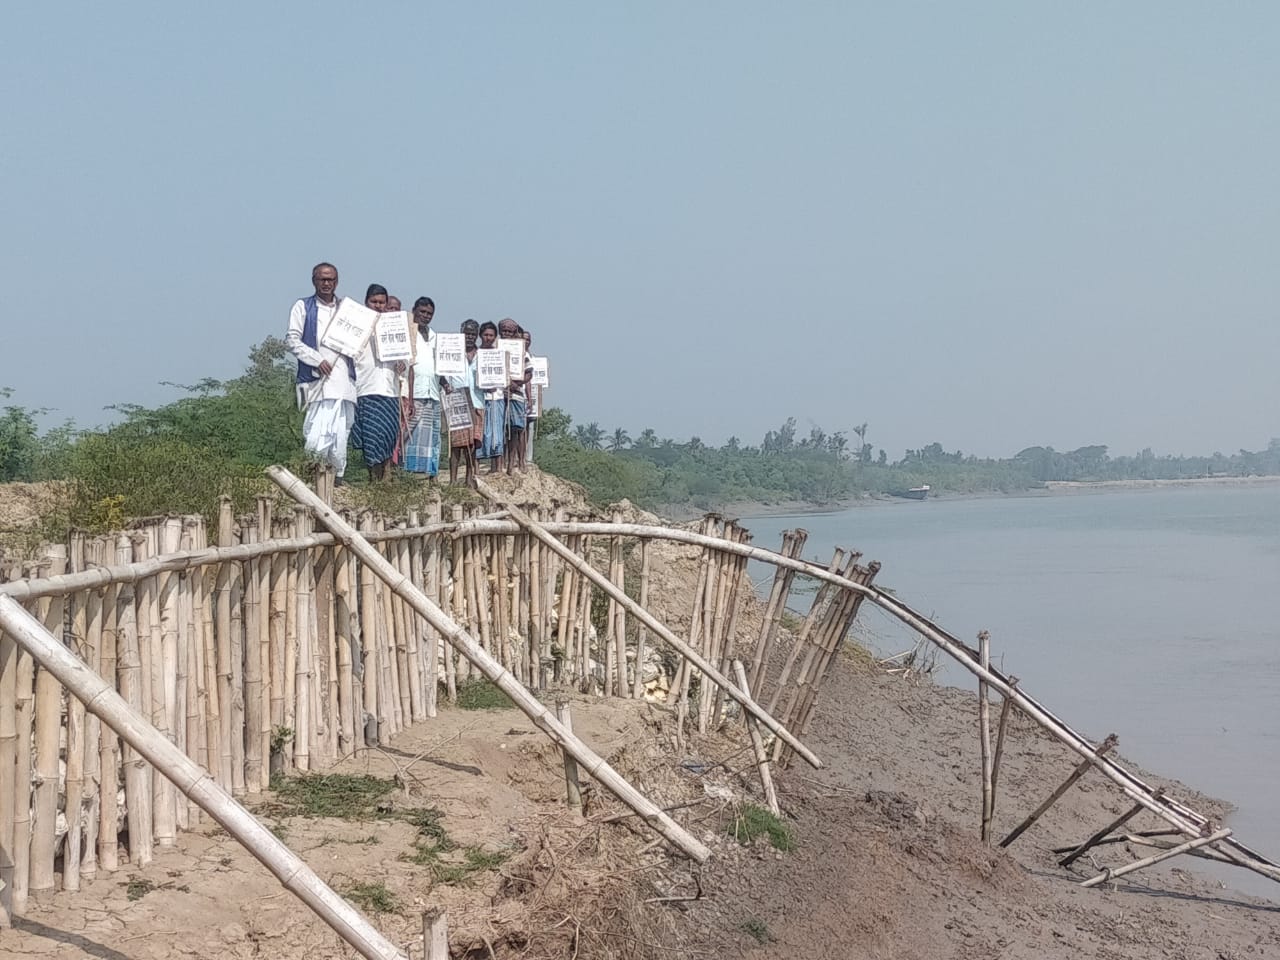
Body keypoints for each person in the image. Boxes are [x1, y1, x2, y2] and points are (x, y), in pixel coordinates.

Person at [285, 262, 357, 479]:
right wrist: (317, 360)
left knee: (341, 430)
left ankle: (336, 476)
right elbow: (291, 340)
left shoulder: (347, 309)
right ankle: (312, 471)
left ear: (337, 281)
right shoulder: (303, 306)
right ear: (314, 280)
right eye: (322, 279)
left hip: (344, 379)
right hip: (316, 380)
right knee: (317, 428)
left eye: (331, 279)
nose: (327, 283)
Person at [351, 283, 404, 480]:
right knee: (371, 437)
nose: (378, 306)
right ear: (366, 303)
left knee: (389, 435)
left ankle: (386, 479)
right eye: (374, 302)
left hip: (390, 390)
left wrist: (402, 364)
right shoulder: (357, 327)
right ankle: (374, 480)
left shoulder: (396, 329)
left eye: (382, 302)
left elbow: (405, 360)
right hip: (366, 388)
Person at [403, 296, 442, 478]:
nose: (426, 316)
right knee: (410, 434)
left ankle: (427, 473)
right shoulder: (407, 333)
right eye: (423, 312)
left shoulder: (436, 337)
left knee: (431, 436)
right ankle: (408, 472)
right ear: (414, 311)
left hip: (432, 392)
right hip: (414, 391)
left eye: (429, 313)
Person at [444, 319, 484, 488]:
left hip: (477, 402)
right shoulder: (451, 352)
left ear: (477, 336)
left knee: (472, 444)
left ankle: (469, 477)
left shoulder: (482, 355)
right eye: (467, 333)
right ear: (461, 332)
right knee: (456, 444)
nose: (469, 337)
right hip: (457, 401)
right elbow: (441, 373)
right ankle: (453, 480)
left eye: (473, 334)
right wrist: (445, 385)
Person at [498, 318, 533, 475]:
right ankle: (500, 463)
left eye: (509, 331)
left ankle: (514, 463)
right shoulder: (494, 349)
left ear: (514, 333)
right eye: (504, 330)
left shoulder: (522, 352)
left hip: (516, 395)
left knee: (515, 429)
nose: (506, 333)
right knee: (500, 429)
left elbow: (529, 373)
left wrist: (517, 384)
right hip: (497, 394)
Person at [477, 321, 506, 473]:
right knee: (480, 432)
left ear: (495, 337)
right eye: (486, 335)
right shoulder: (476, 354)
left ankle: (496, 469)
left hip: (497, 396)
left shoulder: (499, 355)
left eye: (491, 335)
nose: (488, 338)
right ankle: (475, 469)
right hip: (479, 398)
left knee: (496, 432)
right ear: (481, 335)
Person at [521, 327, 539, 466]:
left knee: (529, 427)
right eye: (524, 338)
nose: (525, 341)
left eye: (528, 339)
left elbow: (532, 379)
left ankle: (528, 457)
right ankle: (517, 458)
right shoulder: (516, 355)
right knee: (518, 428)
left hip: (530, 396)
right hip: (518, 394)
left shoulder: (531, 358)